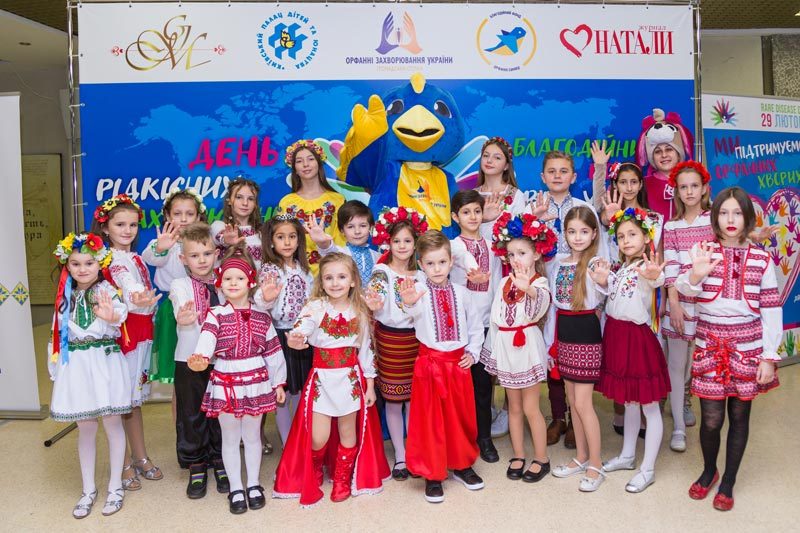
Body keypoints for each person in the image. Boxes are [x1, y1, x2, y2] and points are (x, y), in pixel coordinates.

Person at [676, 187, 781, 512]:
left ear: (748, 217)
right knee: (710, 420)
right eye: (724, 212)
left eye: (737, 213)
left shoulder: (762, 259)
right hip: (709, 345)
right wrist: (696, 274)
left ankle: (729, 481)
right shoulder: (703, 250)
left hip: (748, 348)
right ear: (715, 217)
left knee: (739, 417)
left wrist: (769, 357)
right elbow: (683, 288)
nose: (730, 219)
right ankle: (710, 471)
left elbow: (771, 309)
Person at [273, 253, 390, 506]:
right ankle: (315, 468)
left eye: (341, 277)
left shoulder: (360, 310)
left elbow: (366, 350)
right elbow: (303, 326)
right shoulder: (315, 307)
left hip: (350, 380)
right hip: (322, 380)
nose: (335, 283)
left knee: (348, 432)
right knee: (318, 437)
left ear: (352, 280)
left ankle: (342, 478)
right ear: (321, 281)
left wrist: (370, 385)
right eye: (329, 277)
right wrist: (297, 337)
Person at [187, 249, 287, 514]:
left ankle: (253, 484)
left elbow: (273, 350)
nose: (233, 283)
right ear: (220, 282)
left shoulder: (262, 316)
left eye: (239, 278)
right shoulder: (215, 314)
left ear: (250, 281)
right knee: (230, 437)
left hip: (255, 378)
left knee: (252, 436)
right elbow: (207, 338)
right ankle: (235, 487)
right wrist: (201, 356)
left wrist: (278, 383)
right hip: (226, 377)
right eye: (228, 278)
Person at [526, 150, 607, 448]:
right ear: (543, 177)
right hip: (544, 287)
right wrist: (534, 223)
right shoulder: (534, 207)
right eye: (552, 171)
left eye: (563, 171)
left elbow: (599, 252)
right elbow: (523, 249)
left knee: (577, 360)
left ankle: (577, 421)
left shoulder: (583, 208)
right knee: (552, 353)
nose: (557, 176)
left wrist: (598, 301)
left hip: (579, 292)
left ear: (573, 177)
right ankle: (558, 416)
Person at [399, 231, 485, 503]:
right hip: (430, 366)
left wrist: (473, 352)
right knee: (430, 422)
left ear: (451, 262)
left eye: (442, 262)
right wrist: (409, 302)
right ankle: (433, 474)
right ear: (421, 265)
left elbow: (475, 326)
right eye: (430, 263)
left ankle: (461, 465)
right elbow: (412, 314)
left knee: (461, 417)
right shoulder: (419, 293)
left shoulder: (462, 293)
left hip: (458, 365)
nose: (436, 269)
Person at [49, 233, 130, 518]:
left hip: (104, 362)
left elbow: (120, 314)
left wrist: (111, 317)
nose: (82, 269)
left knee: (113, 424)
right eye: (75, 263)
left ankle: (115, 486)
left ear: (100, 264)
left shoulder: (107, 290)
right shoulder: (64, 295)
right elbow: (56, 332)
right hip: (77, 365)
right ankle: (88, 490)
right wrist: (55, 366)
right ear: (67, 265)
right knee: (85, 427)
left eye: (89, 263)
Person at [594, 208, 670, 493]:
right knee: (629, 402)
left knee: (649, 406)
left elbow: (655, 280)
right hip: (617, 335)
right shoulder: (622, 268)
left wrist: (655, 276)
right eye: (621, 236)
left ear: (646, 237)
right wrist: (604, 281)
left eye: (633, 235)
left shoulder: (647, 266)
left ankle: (647, 468)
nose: (626, 240)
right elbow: (613, 295)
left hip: (637, 340)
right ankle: (627, 456)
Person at [91, 194, 163, 491]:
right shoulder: (108, 259)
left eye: (133, 225)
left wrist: (145, 302)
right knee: (119, 402)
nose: (128, 230)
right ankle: (122, 464)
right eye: (120, 224)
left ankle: (140, 455)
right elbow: (124, 282)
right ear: (105, 227)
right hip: (122, 336)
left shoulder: (135, 257)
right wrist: (136, 295)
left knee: (133, 402)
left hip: (141, 334)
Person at [481, 212, 556, 483]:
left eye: (522, 253)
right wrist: (492, 354)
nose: (515, 259)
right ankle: (518, 454)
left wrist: (529, 289)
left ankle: (542, 458)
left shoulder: (539, 283)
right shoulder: (504, 282)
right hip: (507, 348)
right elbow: (495, 319)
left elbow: (539, 308)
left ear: (536, 254)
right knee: (512, 407)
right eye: (511, 254)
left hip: (526, 348)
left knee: (530, 408)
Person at [545, 206, 606, 492]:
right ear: (564, 234)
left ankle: (596, 463)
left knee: (583, 404)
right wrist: (551, 346)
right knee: (572, 401)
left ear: (594, 233)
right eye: (572, 231)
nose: (577, 237)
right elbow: (554, 307)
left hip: (586, 335)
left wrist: (604, 280)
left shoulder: (596, 264)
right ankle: (581, 456)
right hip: (565, 334)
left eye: (584, 231)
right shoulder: (558, 263)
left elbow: (606, 289)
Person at [364, 206, 428, 480]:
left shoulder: (422, 273)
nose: (402, 246)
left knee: (414, 399)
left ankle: (413, 450)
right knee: (393, 400)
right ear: (388, 242)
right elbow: (375, 298)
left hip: (417, 342)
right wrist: (373, 303)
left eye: (407, 240)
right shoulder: (382, 271)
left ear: (415, 243)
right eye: (396, 240)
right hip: (390, 341)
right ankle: (400, 456)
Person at [168, 223, 227, 498]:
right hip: (189, 359)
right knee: (191, 412)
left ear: (216, 253)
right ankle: (196, 463)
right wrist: (183, 317)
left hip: (223, 359)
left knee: (221, 411)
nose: (202, 260)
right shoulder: (179, 284)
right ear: (183, 259)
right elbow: (179, 304)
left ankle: (221, 458)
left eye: (207, 253)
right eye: (194, 255)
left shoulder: (225, 282)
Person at [661, 161, 714, 452]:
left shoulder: (714, 221)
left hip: (709, 302)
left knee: (700, 363)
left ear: (704, 188)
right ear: (676, 191)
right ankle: (679, 427)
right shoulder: (672, 226)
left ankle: (693, 406)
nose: (690, 191)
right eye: (684, 187)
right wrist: (674, 303)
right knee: (676, 363)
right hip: (680, 303)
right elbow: (670, 265)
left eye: (695, 186)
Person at [449, 190, 502, 463]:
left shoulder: (493, 245)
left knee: (483, 386)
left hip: (486, 324)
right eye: (466, 212)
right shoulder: (453, 246)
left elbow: (499, 280)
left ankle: (484, 437)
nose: (473, 217)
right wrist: (473, 272)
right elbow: (464, 259)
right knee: (460, 388)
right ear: (454, 217)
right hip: (459, 327)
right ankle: (461, 438)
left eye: (477, 211)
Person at [255, 214, 313, 446]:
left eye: (292, 236)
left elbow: (312, 301)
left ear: (299, 240)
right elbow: (261, 301)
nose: (287, 242)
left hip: (302, 336)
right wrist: (267, 298)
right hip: (280, 336)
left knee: (301, 390)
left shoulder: (304, 270)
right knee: (283, 392)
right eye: (280, 237)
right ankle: (289, 443)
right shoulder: (270, 269)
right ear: (271, 241)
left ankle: (300, 440)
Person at [143, 187, 206, 386]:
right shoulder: (163, 243)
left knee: (203, 364)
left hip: (203, 306)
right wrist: (161, 248)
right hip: (173, 310)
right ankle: (180, 405)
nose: (184, 219)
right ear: (168, 216)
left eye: (190, 214)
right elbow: (150, 258)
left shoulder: (205, 242)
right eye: (177, 214)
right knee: (179, 373)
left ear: (198, 217)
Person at [277, 139, 345, 273]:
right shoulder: (286, 202)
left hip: (331, 271)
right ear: (294, 169)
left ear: (319, 163)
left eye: (310, 159)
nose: (305, 164)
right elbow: (282, 238)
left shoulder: (337, 200)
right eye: (299, 161)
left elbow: (342, 238)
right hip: (298, 272)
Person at [306, 199, 379, 285]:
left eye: (363, 226)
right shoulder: (340, 253)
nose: (357, 231)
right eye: (350, 227)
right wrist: (322, 242)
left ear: (371, 227)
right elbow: (328, 250)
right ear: (342, 231)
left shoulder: (378, 256)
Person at [474, 136, 527, 241]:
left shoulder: (516, 195)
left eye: (497, 158)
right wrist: (483, 219)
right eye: (486, 156)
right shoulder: (472, 195)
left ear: (506, 166)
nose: (489, 160)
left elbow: (520, 237)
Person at [211, 177, 264, 269]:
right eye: (239, 197)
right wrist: (225, 240)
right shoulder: (219, 226)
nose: (245, 203)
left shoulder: (262, 233)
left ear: (255, 204)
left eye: (251, 199)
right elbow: (220, 236)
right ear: (229, 200)